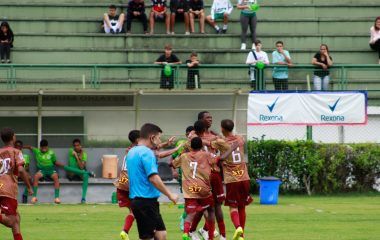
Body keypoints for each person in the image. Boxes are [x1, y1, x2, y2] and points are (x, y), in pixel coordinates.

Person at [126, 123, 179, 240]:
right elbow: (153, 178)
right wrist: (170, 194)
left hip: (142, 201)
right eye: (159, 137)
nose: (160, 140)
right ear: (152, 138)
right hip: (145, 202)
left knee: (161, 234)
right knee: (148, 237)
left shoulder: (132, 152)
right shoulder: (147, 153)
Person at [214, 119, 253, 240]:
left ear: (222, 129)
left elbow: (208, 143)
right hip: (244, 177)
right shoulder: (240, 139)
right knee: (242, 206)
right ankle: (242, 236)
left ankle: (237, 227)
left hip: (232, 179)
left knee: (233, 206)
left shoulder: (221, 142)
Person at [0, 128, 33, 240]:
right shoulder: (16, 152)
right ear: (13, 137)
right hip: (8, 189)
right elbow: (21, 170)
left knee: (16, 219)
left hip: (0, 186)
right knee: (11, 221)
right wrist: (29, 187)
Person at [24, 139, 65, 204]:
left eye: (45, 147)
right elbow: (30, 147)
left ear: (47, 146)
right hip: (42, 170)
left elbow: (55, 162)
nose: (44, 149)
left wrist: (64, 166)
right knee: (36, 176)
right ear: (40, 147)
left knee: (56, 177)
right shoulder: (37, 151)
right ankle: (34, 197)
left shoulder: (51, 152)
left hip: (51, 170)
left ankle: (57, 198)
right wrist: (22, 147)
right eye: (42, 147)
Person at [116, 130, 140, 240]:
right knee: (145, 208)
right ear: (138, 139)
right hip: (131, 182)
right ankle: (147, 233)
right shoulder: (139, 151)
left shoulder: (129, 150)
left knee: (133, 211)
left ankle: (125, 232)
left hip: (122, 181)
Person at [64, 139, 95, 203]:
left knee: (86, 176)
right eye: (75, 146)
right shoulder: (71, 151)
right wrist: (77, 155)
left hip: (80, 172)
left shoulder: (84, 154)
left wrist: (77, 157)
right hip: (72, 172)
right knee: (68, 168)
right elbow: (74, 153)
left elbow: (81, 167)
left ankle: (83, 198)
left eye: (78, 145)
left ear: (80, 146)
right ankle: (88, 172)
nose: (76, 147)